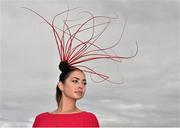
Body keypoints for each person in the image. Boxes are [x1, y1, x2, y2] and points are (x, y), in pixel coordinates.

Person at [32, 61, 99, 127]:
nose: (81, 86)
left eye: (84, 83)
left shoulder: (89, 119)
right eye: (75, 81)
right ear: (61, 85)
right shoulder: (41, 119)